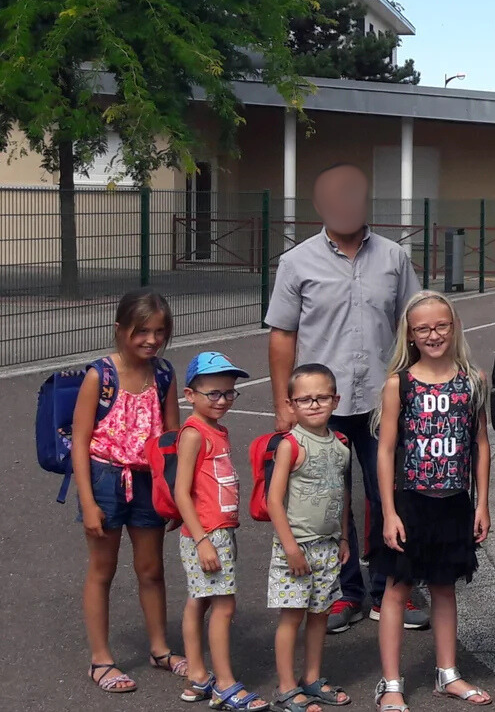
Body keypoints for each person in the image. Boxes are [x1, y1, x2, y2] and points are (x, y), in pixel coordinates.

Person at [266, 161, 427, 634]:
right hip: (320, 407)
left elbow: (414, 323)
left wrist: (427, 384)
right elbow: (282, 335)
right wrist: (283, 405)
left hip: (383, 402)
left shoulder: (394, 258)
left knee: (387, 496)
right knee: (329, 501)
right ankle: (345, 592)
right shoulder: (297, 262)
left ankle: (388, 589)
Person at [373, 291, 494, 710]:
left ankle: (448, 674)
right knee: (396, 589)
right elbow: (386, 450)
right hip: (410, 502)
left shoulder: (473, 380)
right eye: (423, 328)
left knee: (444, 588)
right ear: (409, 335)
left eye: (441, 325)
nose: (433, 335)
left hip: (454, 502)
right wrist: (389, 512)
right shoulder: (399, 384)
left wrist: (482, 503)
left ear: (454, 326)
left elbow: (481, 444)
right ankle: (390, 683)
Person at [73, 288, 185, 694]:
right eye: (142, 331)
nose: (151, 340)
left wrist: (177, 494)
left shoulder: (164, 374)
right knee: (102, 569)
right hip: (105, 479)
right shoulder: (100, 376)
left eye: (159, 331)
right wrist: (88, 503)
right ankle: (101, 659)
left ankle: (159, 649)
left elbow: (172, 438)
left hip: (148, 480)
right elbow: (80, 442)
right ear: (120, 329)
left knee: (151, 569)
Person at [172, 352, 262, 709]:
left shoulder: (216, 430)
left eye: (229, 393)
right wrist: (202, 540)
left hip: (218, 531)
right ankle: (224, 683)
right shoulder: (194, 433)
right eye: (213, 393)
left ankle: (197, 677)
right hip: (208, 534)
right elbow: (181, 492)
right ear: (190, 395)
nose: (222, 400)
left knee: (200, 600)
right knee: (224, 606)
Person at [265, 363, 354, 712]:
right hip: (297, 547)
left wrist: (343, 539)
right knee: (292, 616)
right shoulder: (290, 444)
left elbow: (343, 494)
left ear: (336, 400)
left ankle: (312, 677)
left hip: (328, 546)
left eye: (322, 397)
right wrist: (290, 549)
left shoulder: (341, 445)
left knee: (320, 614)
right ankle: (287, 687)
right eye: (305, 399)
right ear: (291, 405)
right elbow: (274, 500)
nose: (314, 404)